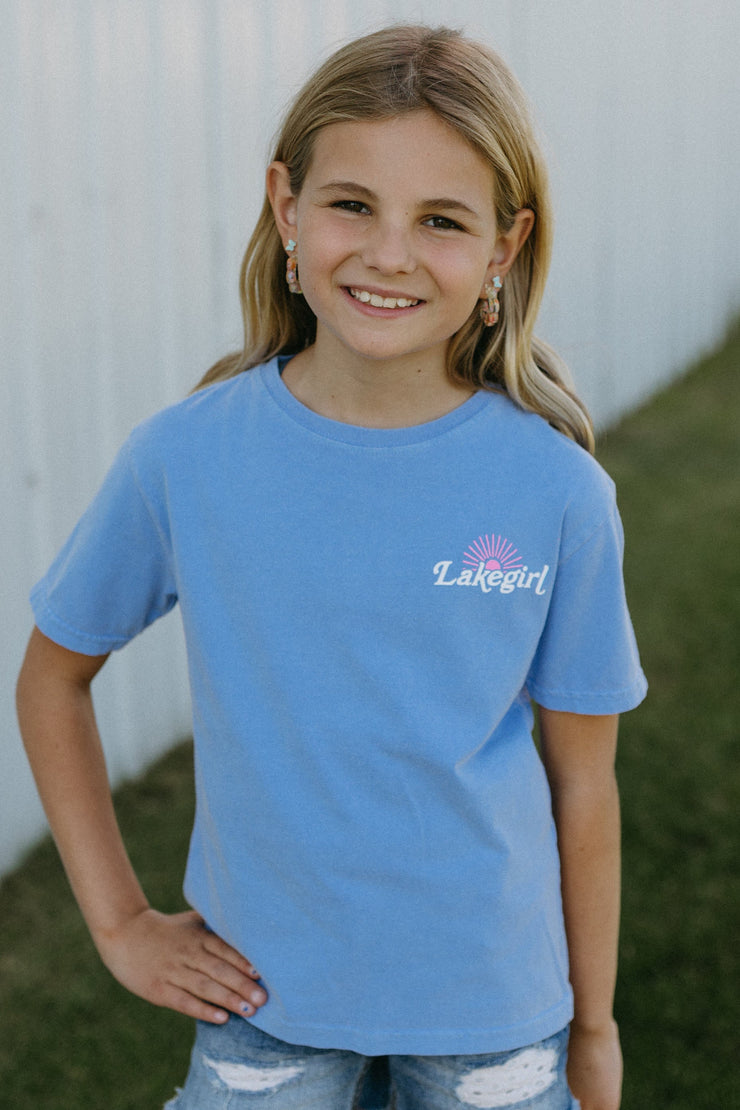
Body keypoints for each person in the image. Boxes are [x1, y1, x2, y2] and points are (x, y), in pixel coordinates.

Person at [16, 24, 647, 1110]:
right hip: (267, 1008)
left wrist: (591, 1028)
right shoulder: (186, 457)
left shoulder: (556, 495)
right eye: (351, 204)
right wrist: (120, 923)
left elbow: (581, 784)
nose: (388, 253)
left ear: (502, 248)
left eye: (440, 221)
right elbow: (52, 678)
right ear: (285, 210)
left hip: (492, 1025)